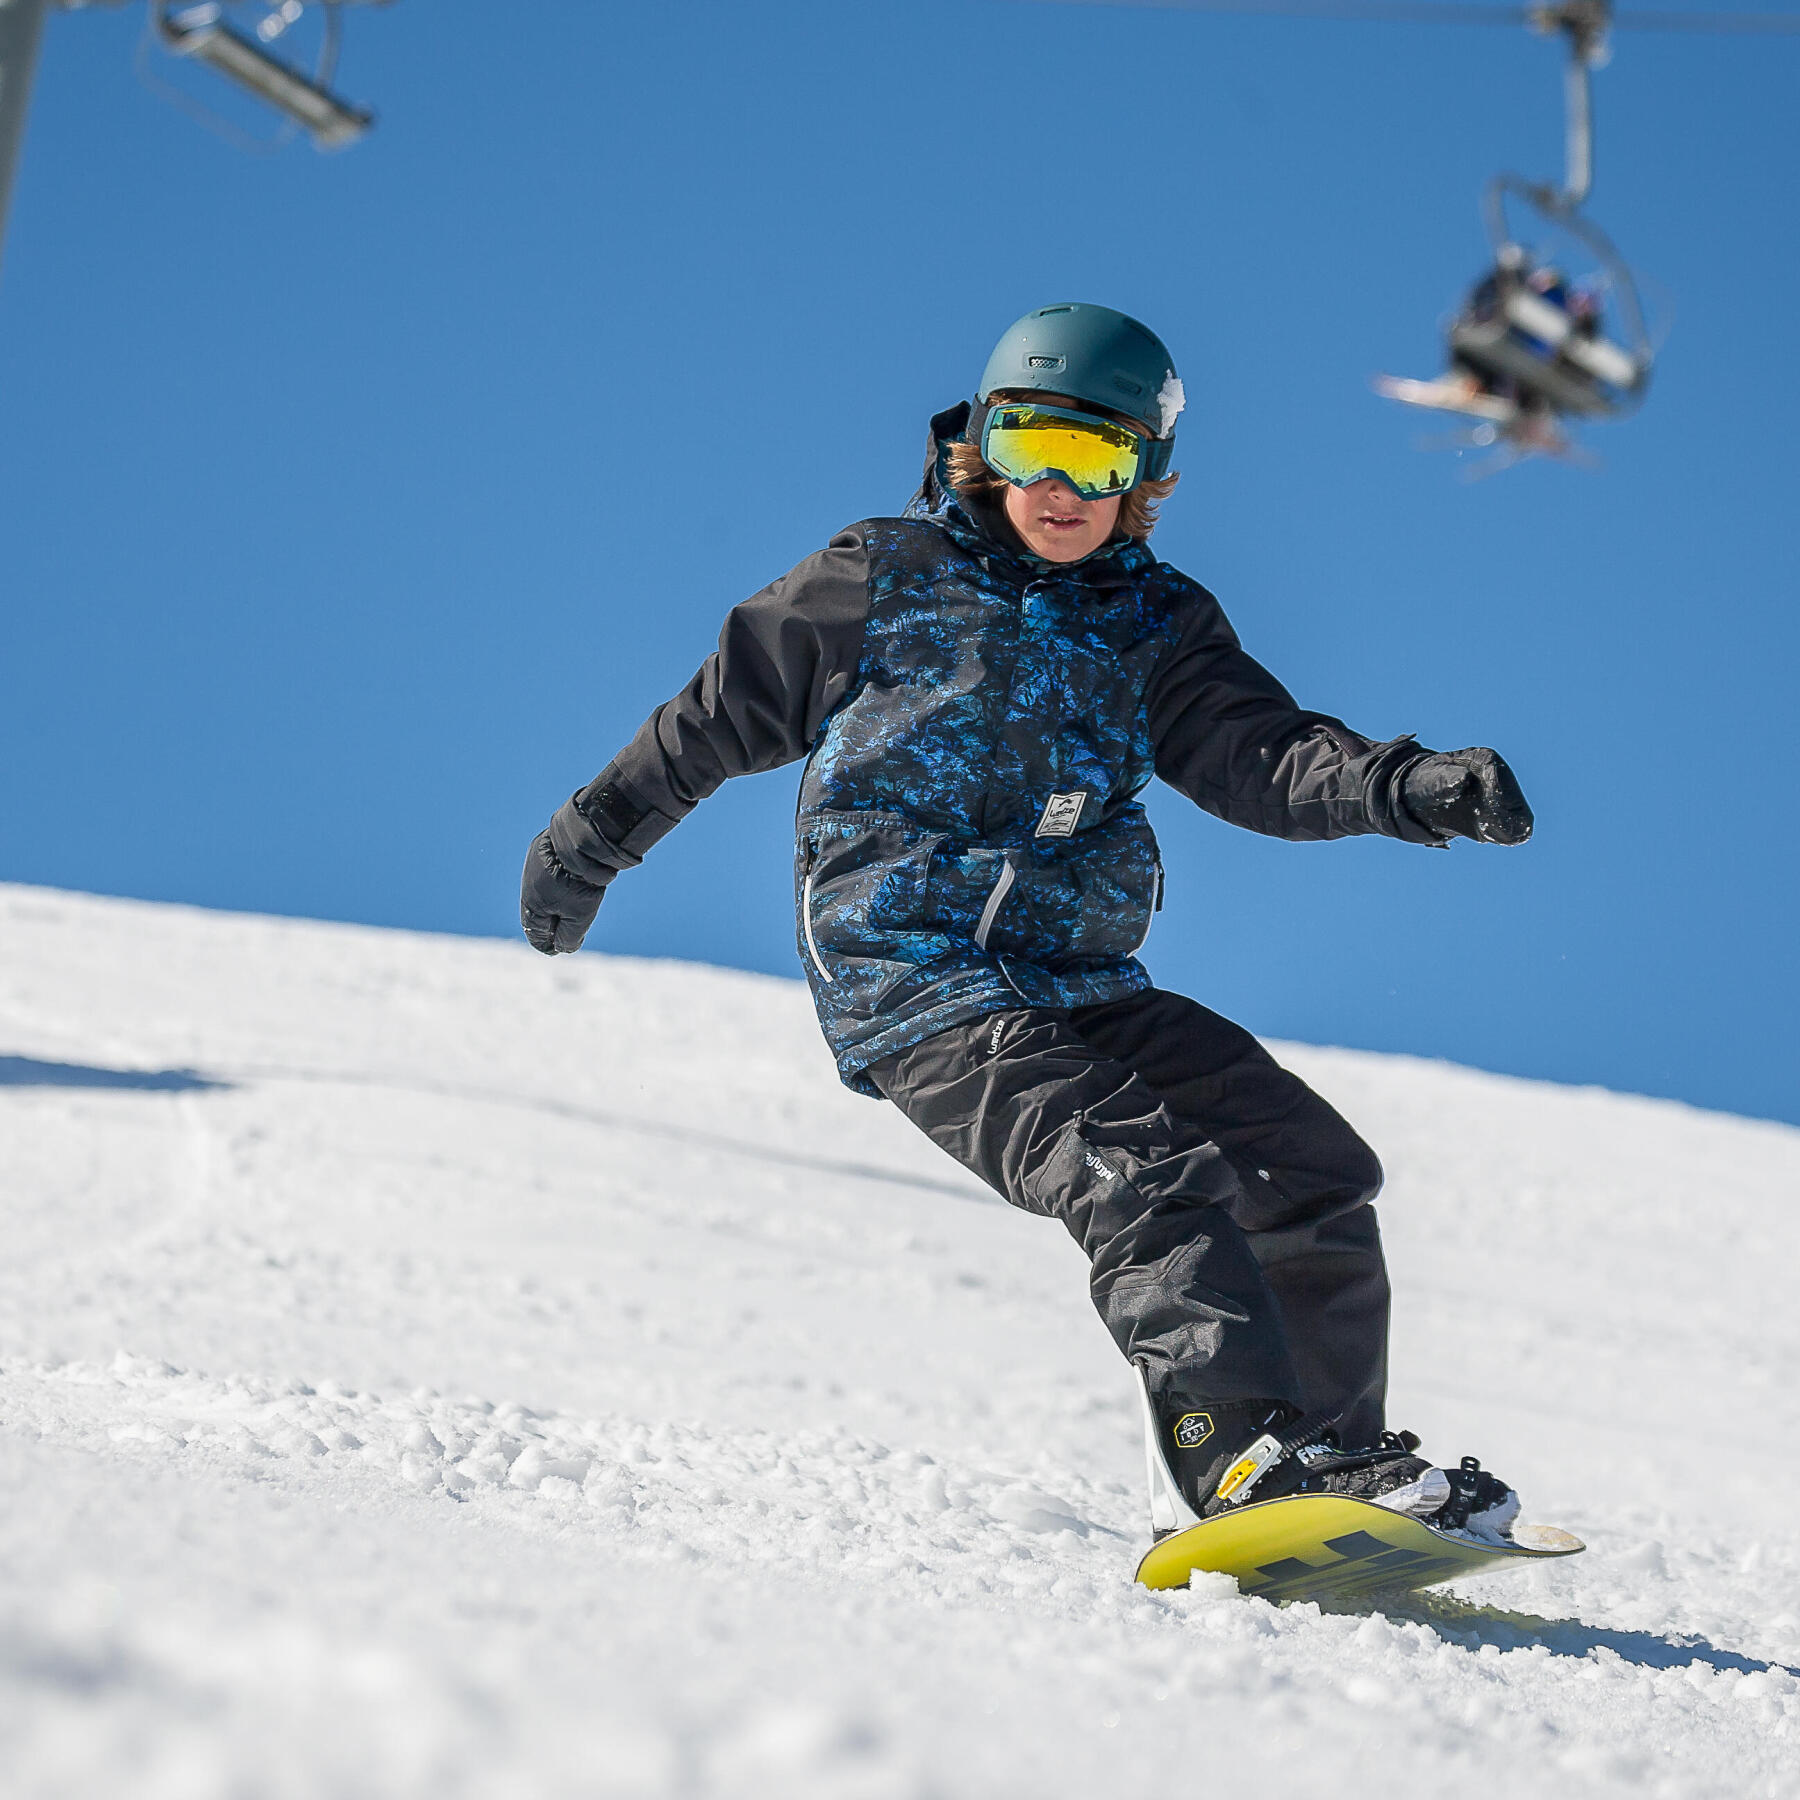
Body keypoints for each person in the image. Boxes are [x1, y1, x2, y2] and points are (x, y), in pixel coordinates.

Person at [521, 303, 1535, 1542]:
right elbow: (713, 715)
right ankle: (1243, 1463)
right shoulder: (881, 581)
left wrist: (1400, 785)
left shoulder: (1156, 626)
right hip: (916, 983)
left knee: (1309, 1167)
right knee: (1139, 1171)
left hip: (1082, 979)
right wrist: (590, 841)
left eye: (1098, 461)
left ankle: (1338, 1461)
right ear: (980, 447)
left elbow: (1262, 755)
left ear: (1146, 481)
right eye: (1030, 447)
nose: (1060, 487)